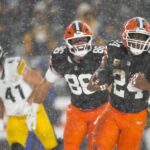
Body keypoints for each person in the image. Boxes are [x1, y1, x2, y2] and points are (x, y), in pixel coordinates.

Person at [26, 20, 109, 150]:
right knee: (69, 146)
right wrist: (34, 107)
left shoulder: (100, 55)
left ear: (90, 39)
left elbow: (116, 82)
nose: (80, 44)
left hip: (101, 109)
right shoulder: (61, 58)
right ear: (68, 42)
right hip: (76, 111)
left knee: (98, 147)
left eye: (83, 39)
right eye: (76, 41)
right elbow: (46, 82)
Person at [87, 16, 150, 150]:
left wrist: (146, 85)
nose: (138, 41)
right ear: (125, 35)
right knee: (98, 147)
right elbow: (102, 72)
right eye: (135, 36)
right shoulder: (114, 50)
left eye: (142, 37)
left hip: (137, 115)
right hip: (114, 111)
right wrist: (99, 79)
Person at [0, 46, 58, 150]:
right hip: (14, 116)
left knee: (52, 146)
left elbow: (39, 81)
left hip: (34, 112)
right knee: (16, 147)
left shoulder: (14, 65)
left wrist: (31, 99)